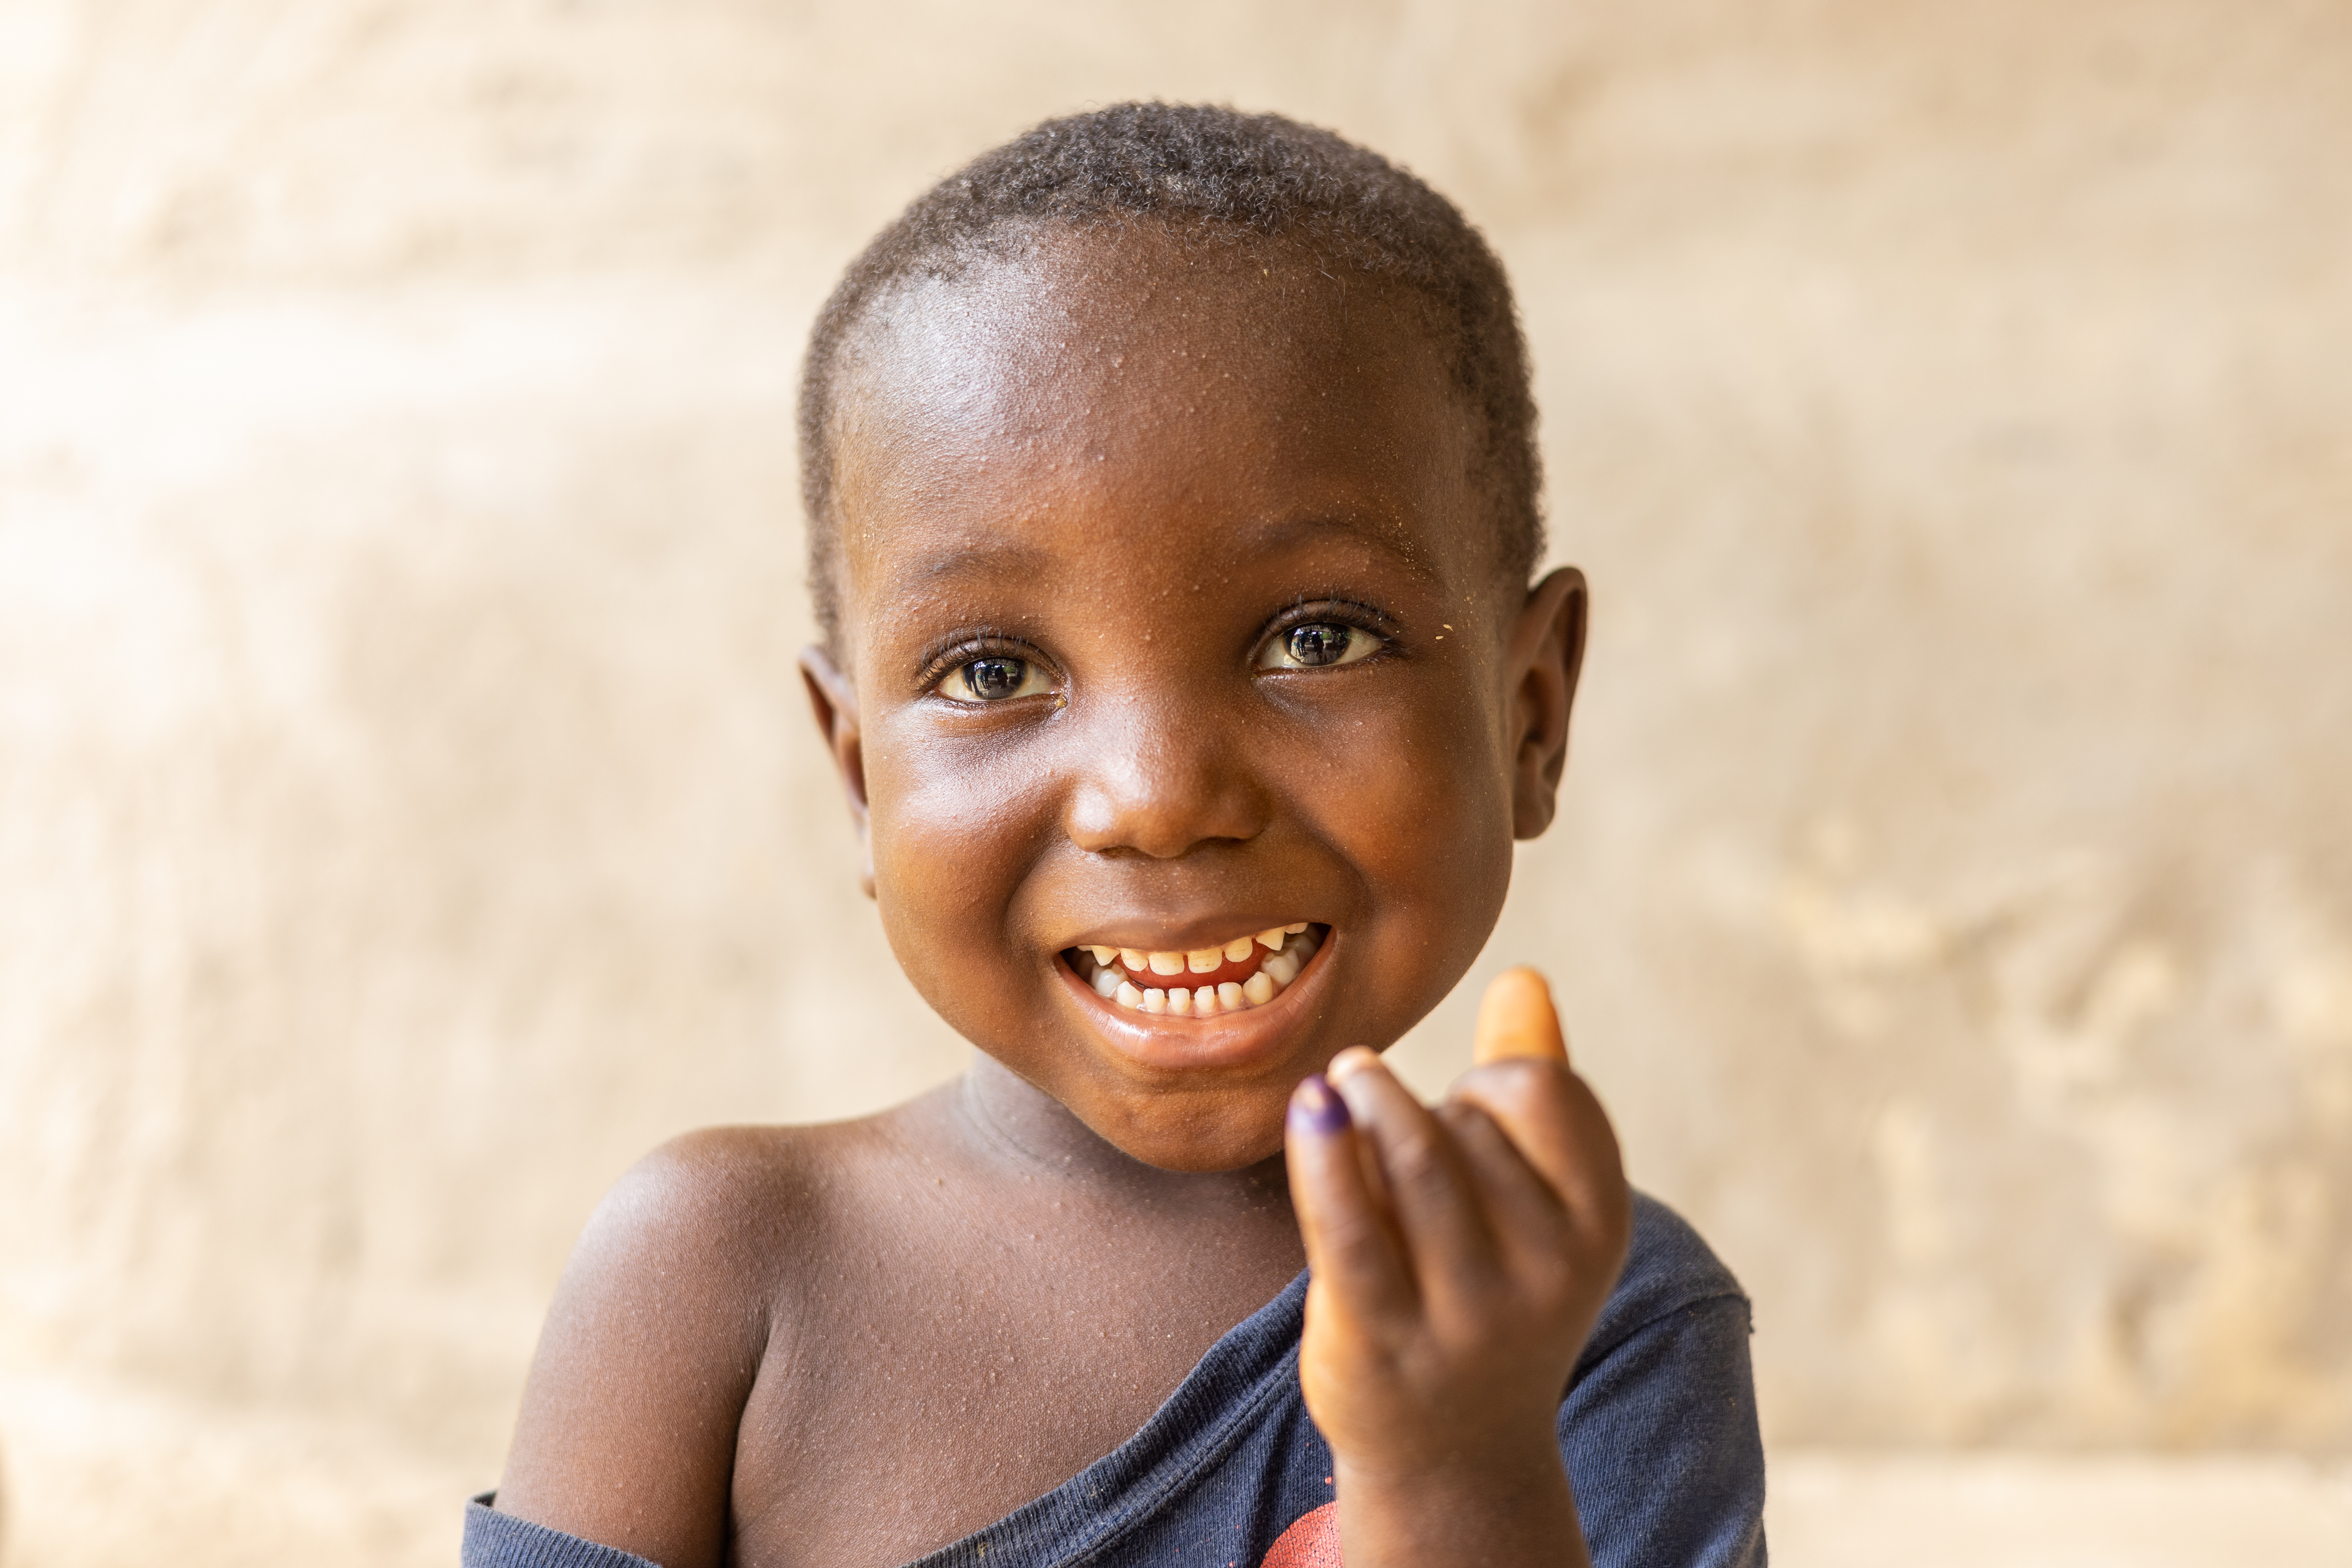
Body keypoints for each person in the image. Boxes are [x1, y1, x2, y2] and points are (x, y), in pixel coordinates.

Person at [467, 103, 1764, 1568]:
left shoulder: (1582, 1312)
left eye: (1314, 636)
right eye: (994, 672)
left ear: (1529, 714)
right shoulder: (713, 1273)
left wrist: (1457, 1468)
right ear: (857, 777)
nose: (1152, 795)